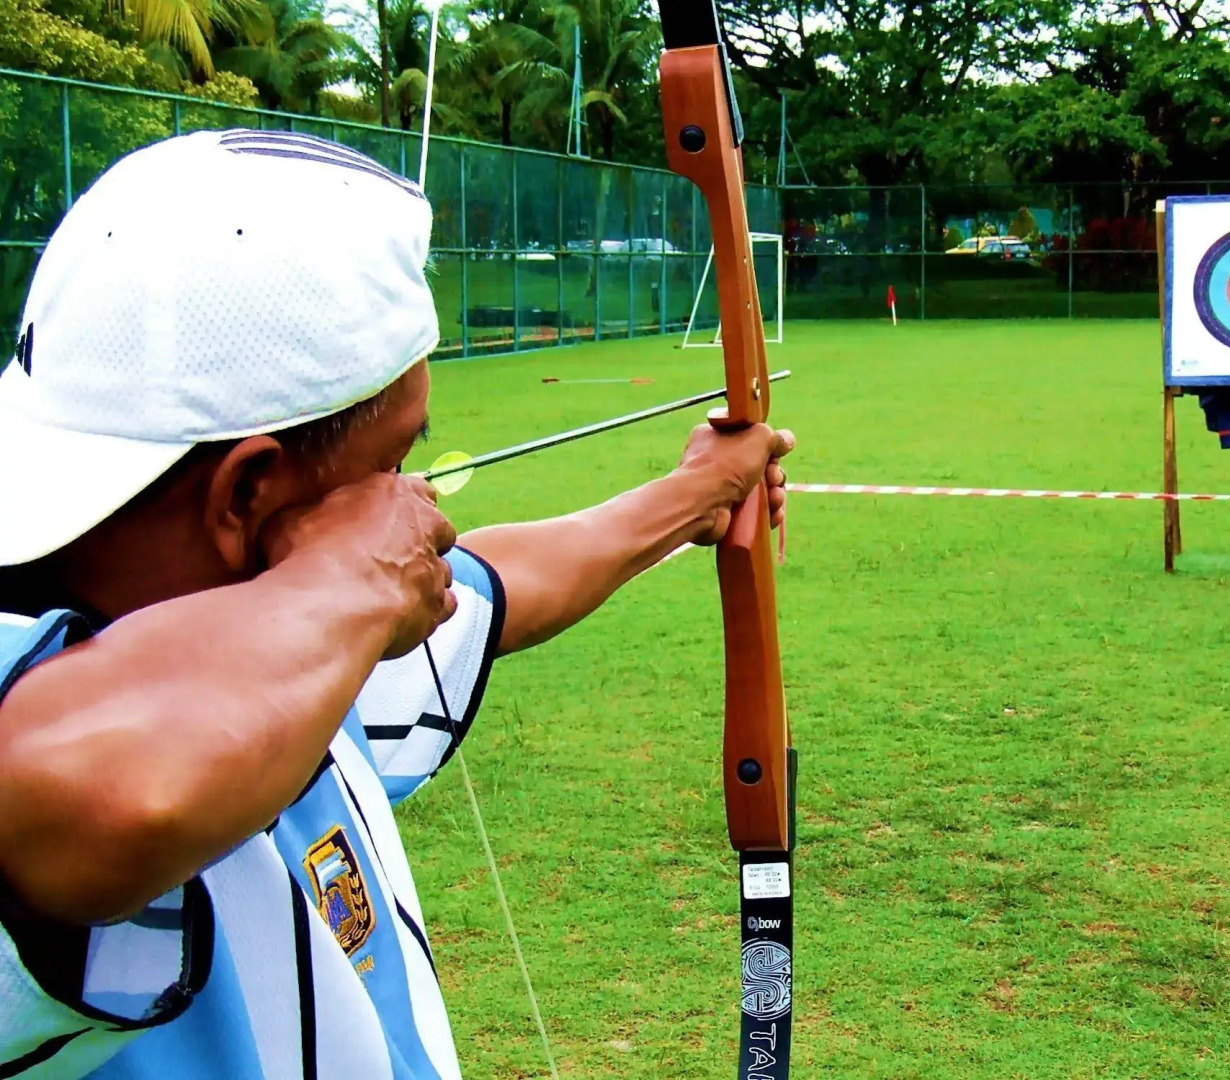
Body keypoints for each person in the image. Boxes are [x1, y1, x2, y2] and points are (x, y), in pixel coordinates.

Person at [0, 130, 792, 1079]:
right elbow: (110, 792)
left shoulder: (280, 643)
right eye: (392, 464)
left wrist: (696, 496)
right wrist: (353, 578)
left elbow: (500, 586)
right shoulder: (124, 701)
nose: (415, 506)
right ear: (247, 494)